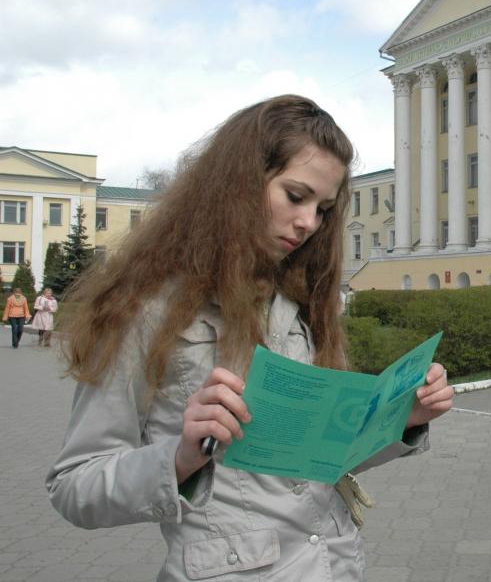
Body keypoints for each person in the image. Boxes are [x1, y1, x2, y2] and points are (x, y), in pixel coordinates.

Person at [46, 95, 455, 581]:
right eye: (296, 196)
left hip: (333, 566)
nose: (309, 224)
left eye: (323, 209)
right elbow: (75, 487)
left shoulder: (301, 304)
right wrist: (177, 458)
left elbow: (313, 462)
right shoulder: (145, 311)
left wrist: (401, 420)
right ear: (237, 185)